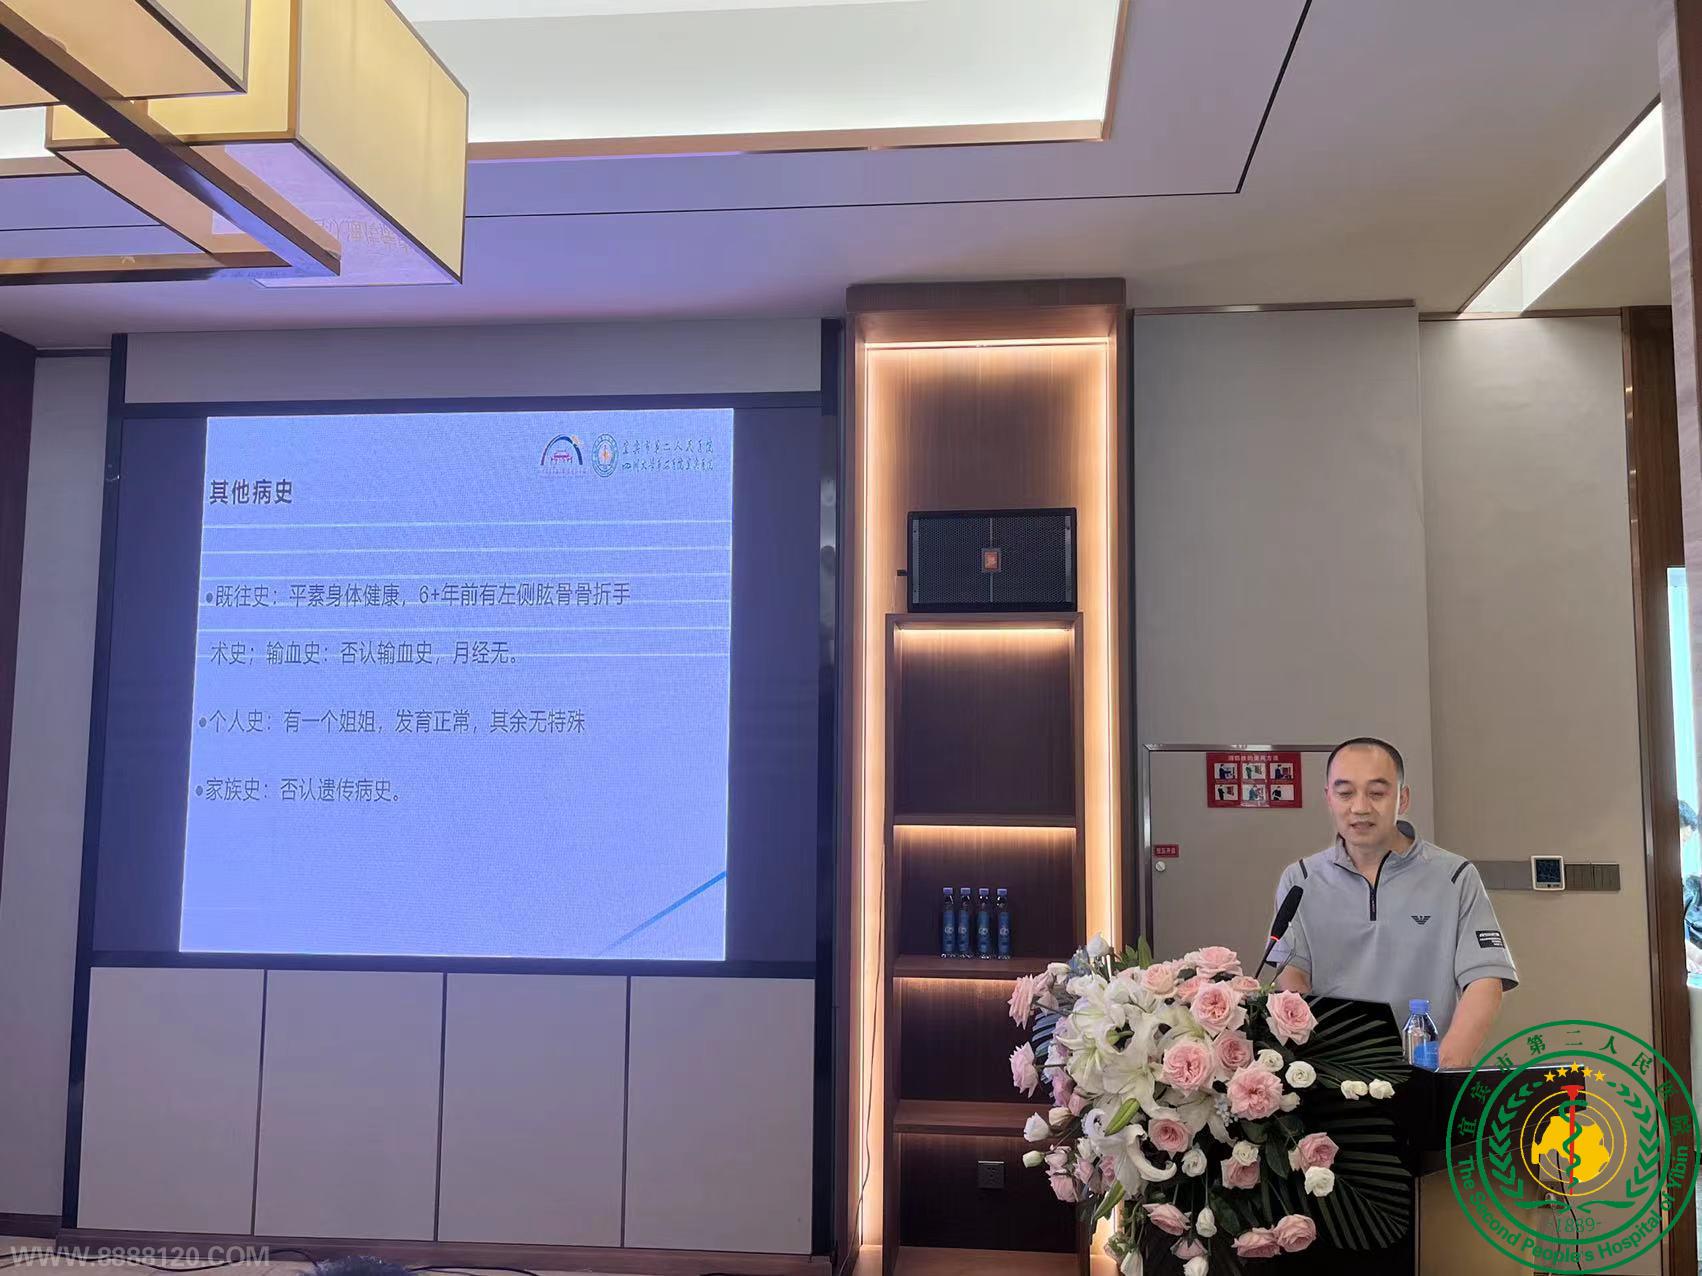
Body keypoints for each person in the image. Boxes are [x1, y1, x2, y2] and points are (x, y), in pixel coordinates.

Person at [1270, 736, 1518, 1069]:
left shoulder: (1455, 876)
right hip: (1333, 1076)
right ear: (1328, 797)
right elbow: (1293, 979)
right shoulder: (1300, 879)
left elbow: (1485, 980)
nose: (1360, 807)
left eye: (1377, 793)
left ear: (1403, 798)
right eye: (1345, 793)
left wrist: (1443, 1069)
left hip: (1426, 1068)